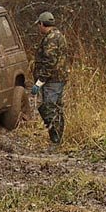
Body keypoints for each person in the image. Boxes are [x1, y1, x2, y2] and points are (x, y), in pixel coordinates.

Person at [31, 11, 69, 148]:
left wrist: (40, 82)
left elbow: (49, 62)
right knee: (56, 108)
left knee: (49, 108)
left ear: (42, 24)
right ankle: (58, 139)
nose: (38, 27)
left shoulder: (51, 39)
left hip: (52, 80)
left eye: (39, 25)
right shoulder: (58, 35)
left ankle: (55, 140)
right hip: (58, 78)